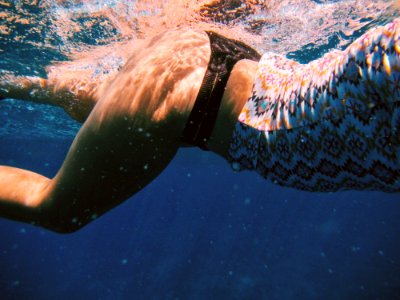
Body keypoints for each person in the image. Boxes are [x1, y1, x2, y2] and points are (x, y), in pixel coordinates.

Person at [0, 19, 399, 233]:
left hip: (213, 68)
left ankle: (16, 83)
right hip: (190, 96)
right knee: (54, 209)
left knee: (103, 103)